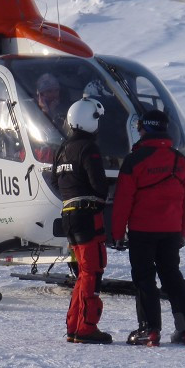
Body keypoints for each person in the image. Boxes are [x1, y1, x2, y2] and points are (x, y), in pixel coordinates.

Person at [111, 109, 185, 347]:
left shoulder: (134, 161)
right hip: (171, 232)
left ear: (144, 128)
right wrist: (182, 231)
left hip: (142, 232)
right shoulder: (181, 162)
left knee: (144, 279)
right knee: (172, 276)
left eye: (139, 127)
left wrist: (118, 234)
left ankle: (150, 330)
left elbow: (123, 201)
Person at [52, 96, 112, 345]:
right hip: (87, 218)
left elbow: (56, 182)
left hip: (68, 217)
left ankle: (74, 326)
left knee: (83, 273)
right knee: (91, 271)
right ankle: (86, 327)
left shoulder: (62, 148)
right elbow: (99, 185)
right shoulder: (89, 149)